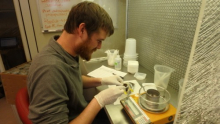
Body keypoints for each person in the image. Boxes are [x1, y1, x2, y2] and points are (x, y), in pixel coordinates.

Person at [27, 1, 125, 124]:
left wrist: (102, 80)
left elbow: (71, 80)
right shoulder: (49, 69)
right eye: (98, 40)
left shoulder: (67, 53)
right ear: (82, 29)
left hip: (79, 112)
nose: (99, 46)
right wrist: (99, 101)